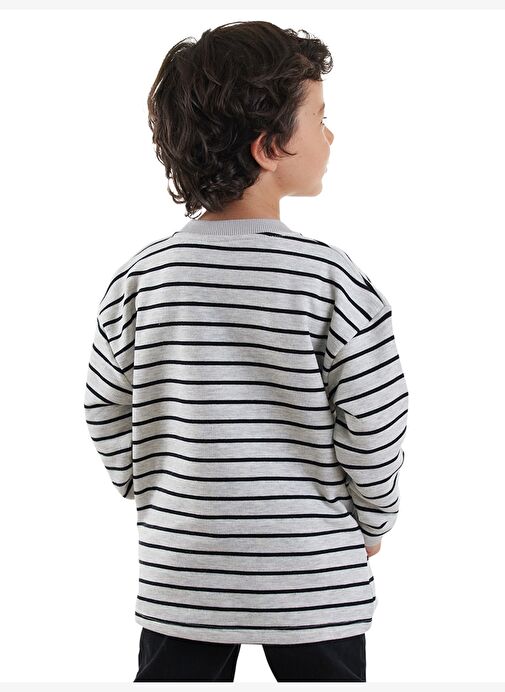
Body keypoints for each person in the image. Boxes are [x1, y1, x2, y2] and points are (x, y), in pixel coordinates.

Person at [83, 20, 409, 683]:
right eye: (320, 117)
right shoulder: (330, 281)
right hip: (313, 577)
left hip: (184, 573)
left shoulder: (141, 280)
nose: (331, 135)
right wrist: (372, 519)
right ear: (268, 147)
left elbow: (103, 407)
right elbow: (375, 422)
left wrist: (153, 490)